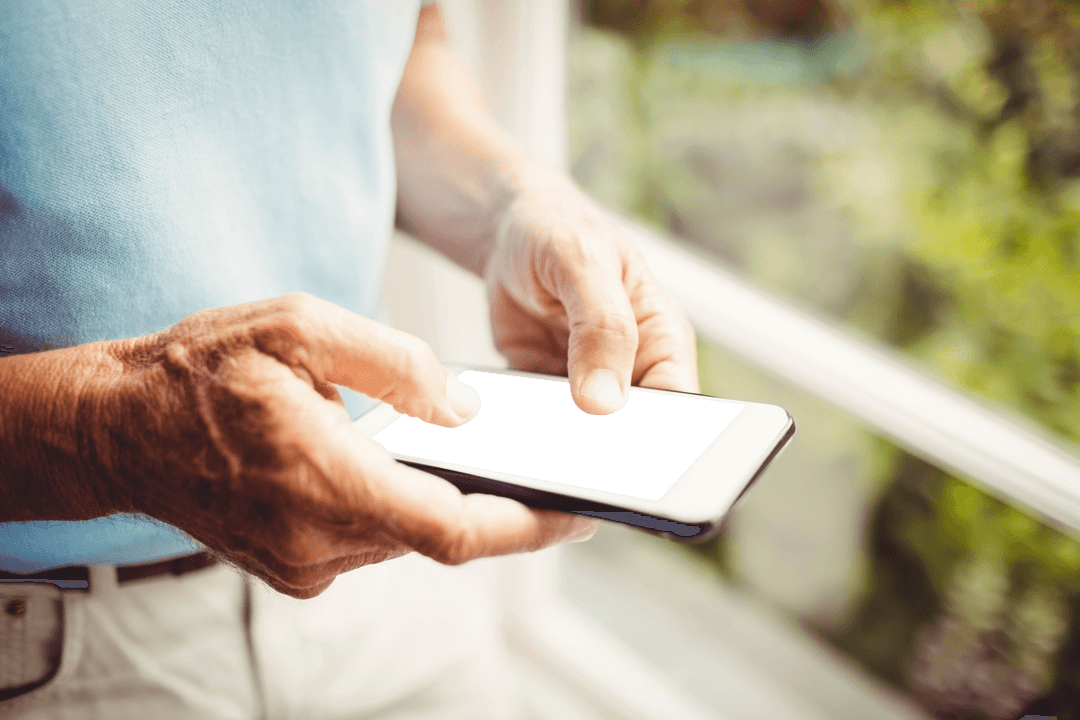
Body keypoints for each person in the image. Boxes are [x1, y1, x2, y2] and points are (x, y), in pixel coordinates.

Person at [0, 1, 699, 717]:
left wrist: (512, 201)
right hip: (54, 644)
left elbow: (400, 44)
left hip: (387, 561)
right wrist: (106, 432)